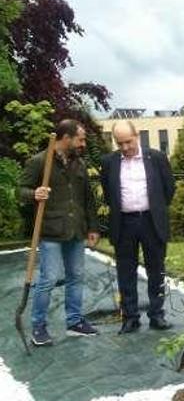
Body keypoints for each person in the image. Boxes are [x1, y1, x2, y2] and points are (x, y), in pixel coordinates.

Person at [18, 119, 100, 345]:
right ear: (66, 138)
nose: (83, 143)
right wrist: (34, 193)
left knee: (76, 276)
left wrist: (93, 227)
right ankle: (38, 327)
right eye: (80, 139)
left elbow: (88, 198)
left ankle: (74, 322)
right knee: (49, 279)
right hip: (51, 231)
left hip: (76, 231)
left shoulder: (79, 163)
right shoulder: (40, 162)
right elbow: (20, 190)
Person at [100, 120, 175, 334]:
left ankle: (157, 315)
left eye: (128, 142)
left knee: (156, 269)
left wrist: (156, 208)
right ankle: (130, 317)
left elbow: (168, 189)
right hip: (123, 223)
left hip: (151, 221)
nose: (124, 147)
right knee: (125, 272)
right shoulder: (109, 162)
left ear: (137, 136)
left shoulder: (157, 158)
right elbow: (108, 193)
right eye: (119, 143)